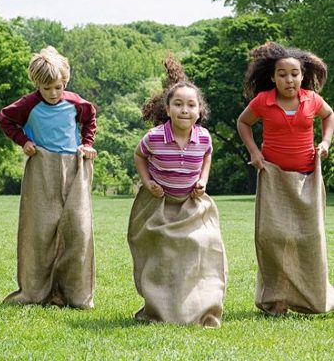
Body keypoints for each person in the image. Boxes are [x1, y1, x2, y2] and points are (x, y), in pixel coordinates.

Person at [127, 54, 227, 327]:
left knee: (202, 246)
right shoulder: (155, 137)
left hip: (192, 204)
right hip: (161, 205)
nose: (185, 110)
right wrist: (148, 183)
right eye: (178, 104)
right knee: (163, 255)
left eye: (191, 105)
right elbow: (139, 155)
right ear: (168, 108)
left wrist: (203, 180)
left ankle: (200, 305)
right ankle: (160, 307)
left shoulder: (204, 136)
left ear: (199, 110)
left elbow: (207, 155)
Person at [237, 41, 334, 315]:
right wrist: (254, 152)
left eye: (294, 74)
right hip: (273, 177)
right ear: (272, 77)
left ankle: (312, 299)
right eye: (282, 74)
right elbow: (243, 123)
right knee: (271, 236)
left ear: (302, 76)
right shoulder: (263, 102)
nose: (288, 79)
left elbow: (329, 116)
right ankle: (276, 300)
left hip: (307, 177)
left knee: (310, 237)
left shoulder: (312, 100)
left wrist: (325, 143)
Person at [0, 46, 97, 308]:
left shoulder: (75, 102)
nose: (53, 93)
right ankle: (35, 291)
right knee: (39, 231)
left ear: (65, 82)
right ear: (37, 85)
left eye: (58, 87)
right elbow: (5, 119)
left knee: (78, 229)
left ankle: (74, 293)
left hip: (73, 167)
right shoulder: (28, 104)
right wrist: (24, 141)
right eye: (47, 88)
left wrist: (87, 144)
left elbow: (90, 120)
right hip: (42, 167)